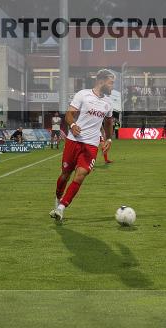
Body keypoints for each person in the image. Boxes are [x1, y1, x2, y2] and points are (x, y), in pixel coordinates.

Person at [50, 69, 115, 222]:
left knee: (80, 175)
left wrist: (109, 139)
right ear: (101, 81)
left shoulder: (108, 103)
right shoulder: (82, 95)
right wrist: (72, 124)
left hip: (91, 145)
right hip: (73, 141)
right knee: (65, 175)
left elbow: (108, 122)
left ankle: (61, 208)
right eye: (111, 83)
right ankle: (58, 199)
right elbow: (69, 114)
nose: (112, 87)